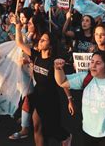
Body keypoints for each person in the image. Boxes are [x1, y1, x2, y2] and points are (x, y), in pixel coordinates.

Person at [54, 51, 105, 146]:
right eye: (92, 62)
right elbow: (62, 82)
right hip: (88, 134)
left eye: (98, 63)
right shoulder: (85, 78)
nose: (93, 65)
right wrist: (58, 68)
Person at [14, 18, 73, 146]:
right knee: (36, 126)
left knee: (52, 128)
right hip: (38, 96)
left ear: (50, 45)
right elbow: (19, 43)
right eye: (40, 39)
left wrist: (69, 99)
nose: (40, 41)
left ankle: (66, 137)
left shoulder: (54, 62)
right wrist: (18, 26)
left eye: (43, 40)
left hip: (51, 100)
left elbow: (63, 82)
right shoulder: (35, 56)